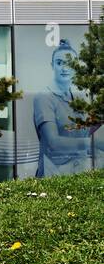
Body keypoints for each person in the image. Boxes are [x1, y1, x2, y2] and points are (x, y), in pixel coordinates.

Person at [32, 41, 91, 176]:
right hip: (54, 174)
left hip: (79, 171)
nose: (65, 68)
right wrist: (91, 143)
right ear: (52, 66)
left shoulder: (78, 98)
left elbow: (85, 132)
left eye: (69, 63)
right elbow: (53, 143)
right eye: (59, 63)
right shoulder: (44, 97)